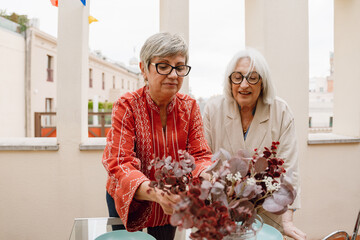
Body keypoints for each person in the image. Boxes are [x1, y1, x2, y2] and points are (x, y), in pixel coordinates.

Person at [102, 32, 212, 240]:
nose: (173, 74)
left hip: (170, 200)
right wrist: (156, 193)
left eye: (179, 67)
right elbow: (119, 162)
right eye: (163, 66)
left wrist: (208, 174)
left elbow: (200, 156)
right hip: (131, 197)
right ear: (144, 68)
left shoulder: (190, 107)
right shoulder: (126, 106)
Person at [203, 48, 307, 240]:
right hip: (222, 214)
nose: (244, 84)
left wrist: (287, 221)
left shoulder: (281, 112)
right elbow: (204, 163)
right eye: (237, 77)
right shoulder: (212, 110)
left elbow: (289, 169)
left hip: (265, 215)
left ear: (263, 82)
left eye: (252, 77)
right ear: (229, 81)